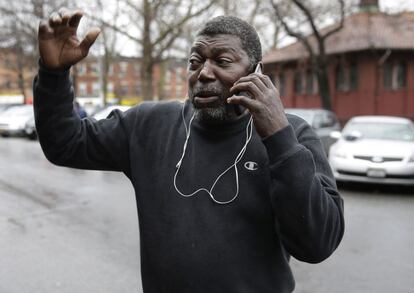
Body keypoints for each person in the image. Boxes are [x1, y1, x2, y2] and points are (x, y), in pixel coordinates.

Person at [34, 8, 344, 293]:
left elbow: (317, 244)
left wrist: (279, 138)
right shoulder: (150, 125)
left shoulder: (291, 136)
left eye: (222, 61)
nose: (204, 74)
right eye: (195, 62)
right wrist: (53, 75)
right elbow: (65, 143)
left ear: (256, 71)